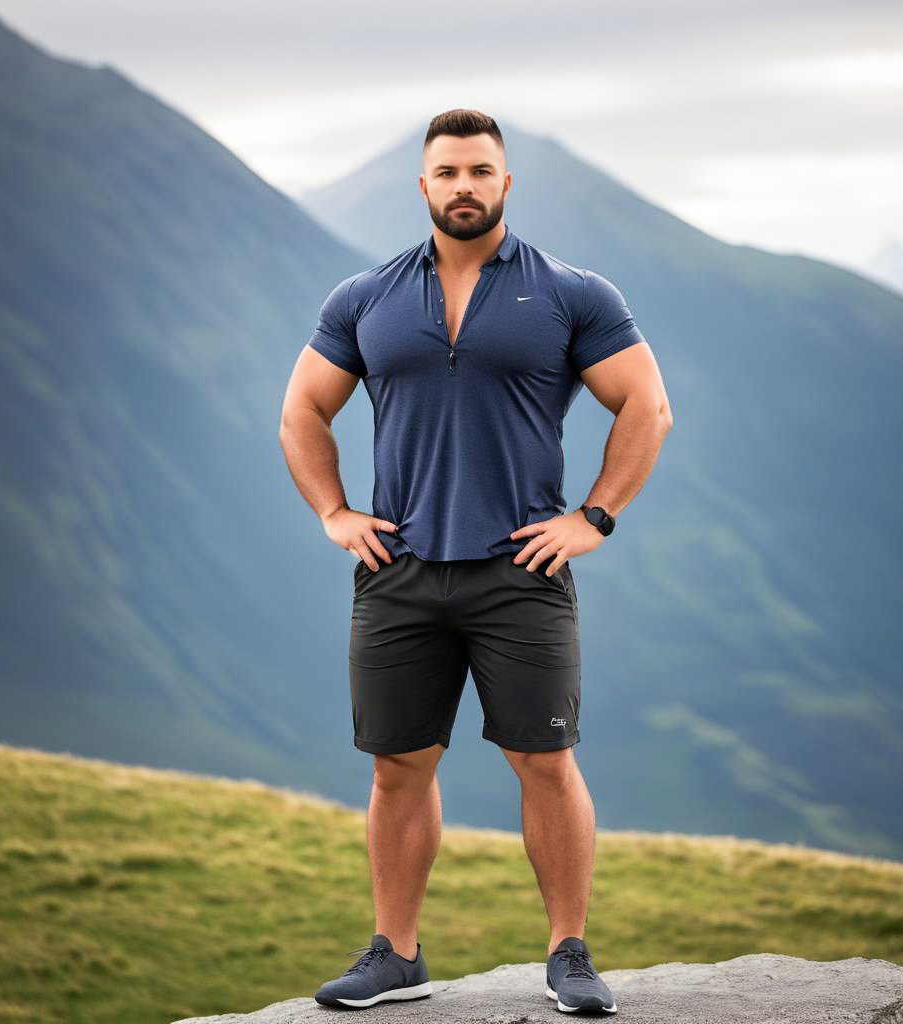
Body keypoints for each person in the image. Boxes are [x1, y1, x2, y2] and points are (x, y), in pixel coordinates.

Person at [278, 108, 673, 1014]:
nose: (464, 186)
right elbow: (302, 410)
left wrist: (594, 518)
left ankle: (569, 954)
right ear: (423, 186)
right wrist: (335, 511)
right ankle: (397, 956)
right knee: (397, 768)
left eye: (481, 172)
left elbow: (646, 407)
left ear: (506, 184)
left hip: (522, 574)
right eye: (448, 172)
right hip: (399, 572)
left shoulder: (575, 295)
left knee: (546, 762)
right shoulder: (364, 298)